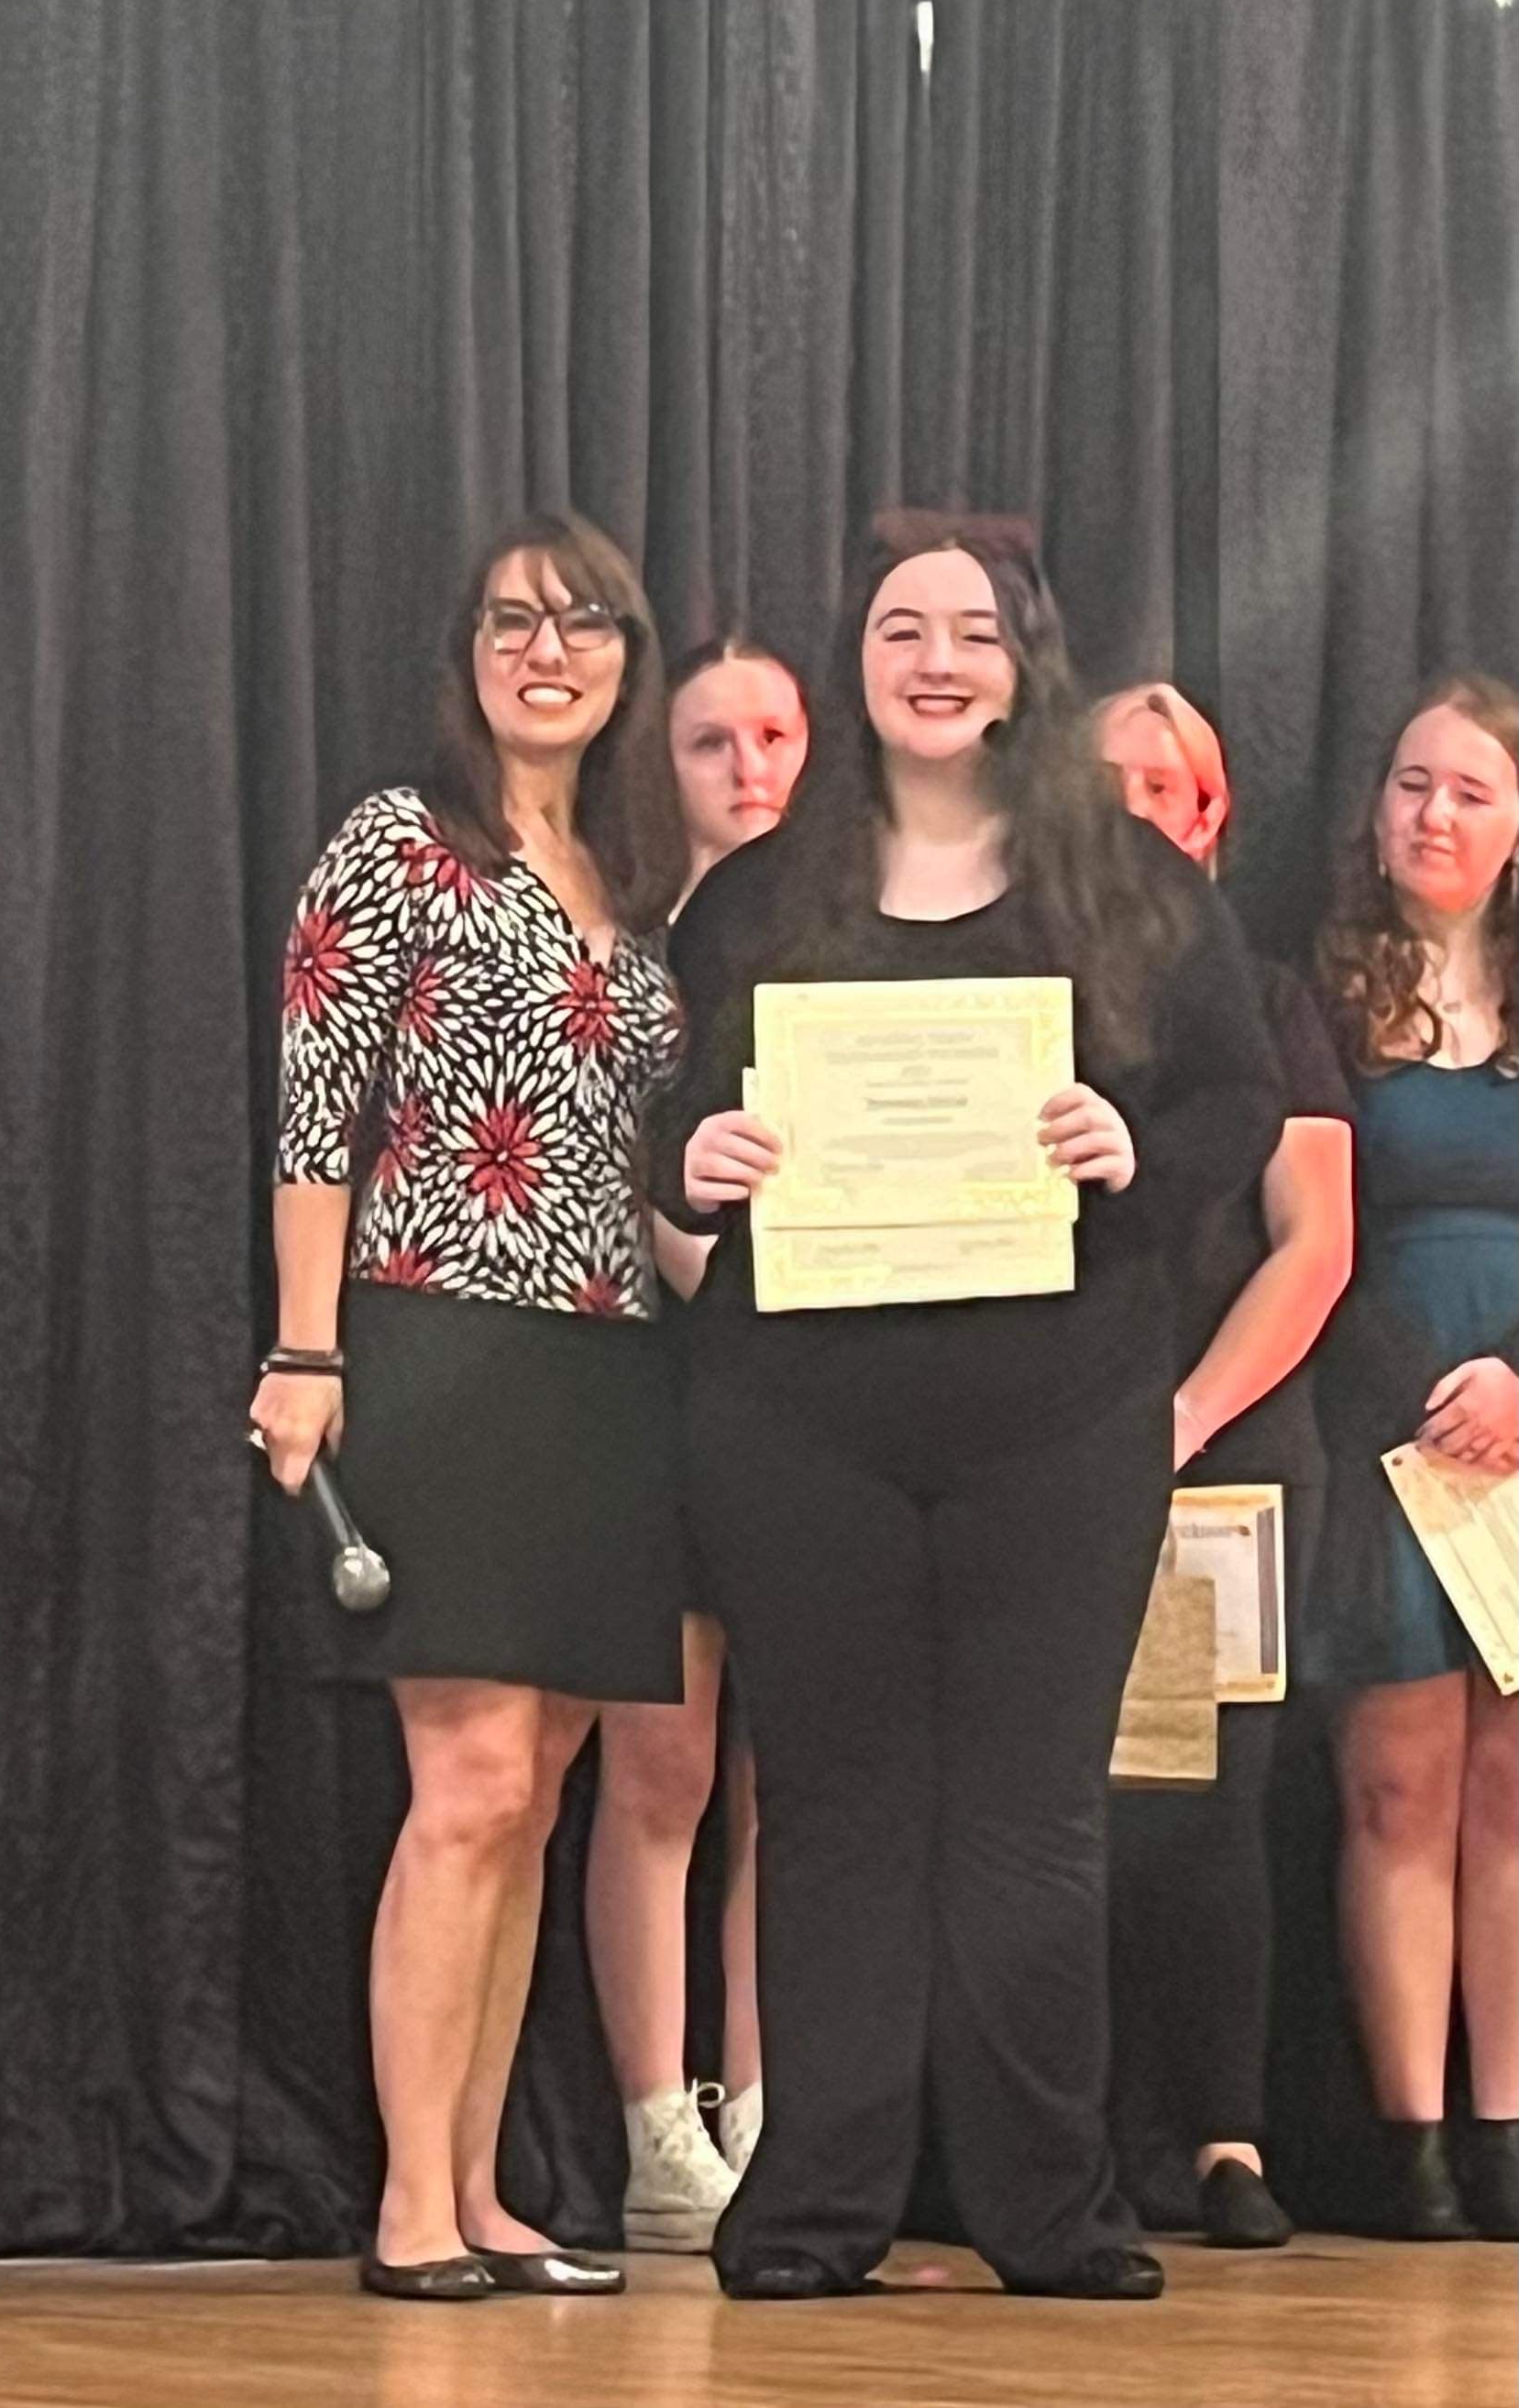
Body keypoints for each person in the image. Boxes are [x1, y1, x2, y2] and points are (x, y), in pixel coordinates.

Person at [653, 511, 1286, 2302]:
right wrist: (692, 1159)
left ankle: (1047, 2206)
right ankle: (814, 2205)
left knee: (1031, 1810)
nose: (936, 657)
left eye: (975, 631)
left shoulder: (1137, 890)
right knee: (839, 1806)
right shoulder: (764, 891)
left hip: (1058, 1417)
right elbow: (662, 1121)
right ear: (855, 657)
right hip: (799, 1420)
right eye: (900, 625)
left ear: (1027, 665)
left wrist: (1130, 1148)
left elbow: (1237, 1107)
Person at [251, 510, 688, 2301]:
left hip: (612, 1359)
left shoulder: (638, 878)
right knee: (470, 1776)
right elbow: (313, 1107)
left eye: (585, 621)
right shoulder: (394, 844)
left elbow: (657, 1154)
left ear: (625, 661)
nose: (549, 646)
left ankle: (489, 2185)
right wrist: (301, 1350)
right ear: (469, 650)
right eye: (515, 618)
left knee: (545, 1782)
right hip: (433, 1339)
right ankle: (408, 2206)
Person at [1097, 685, 1355, 2248]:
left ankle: (1220, 2137)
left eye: (1163, 789)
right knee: (1054, 1805)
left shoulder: (1264, 1000)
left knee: (1209, 1804)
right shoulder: (1011, 989)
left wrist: (1179, 1422)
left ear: (1211, 824)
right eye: (1102, 785)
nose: (1135, 813)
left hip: (1222, 1461)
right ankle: (1080, 2131)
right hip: (1046, 1460)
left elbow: (1311, 1247)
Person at [586, 638, 809, 2247]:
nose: (748, 767)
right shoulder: (632, 954)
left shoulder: (858, 941)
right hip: (654, 1395)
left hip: (819, 1402)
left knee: (786, 1782)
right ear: (658, 766)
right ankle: (659, 2124)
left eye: (776, 734)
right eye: (710, 739)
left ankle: (773, 2107)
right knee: (659, 1768)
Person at [1310, 673, 1519, 2241]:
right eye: (1408, 785)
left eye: (1467, 790)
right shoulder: (1318, 992)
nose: (1432, 816)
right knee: (1396, 1784)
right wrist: (1422, 1403)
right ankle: (1411, 2136)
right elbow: (1300, 1227)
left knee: (1508, 1789)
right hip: (1381, 1424)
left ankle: (1505, 2121)